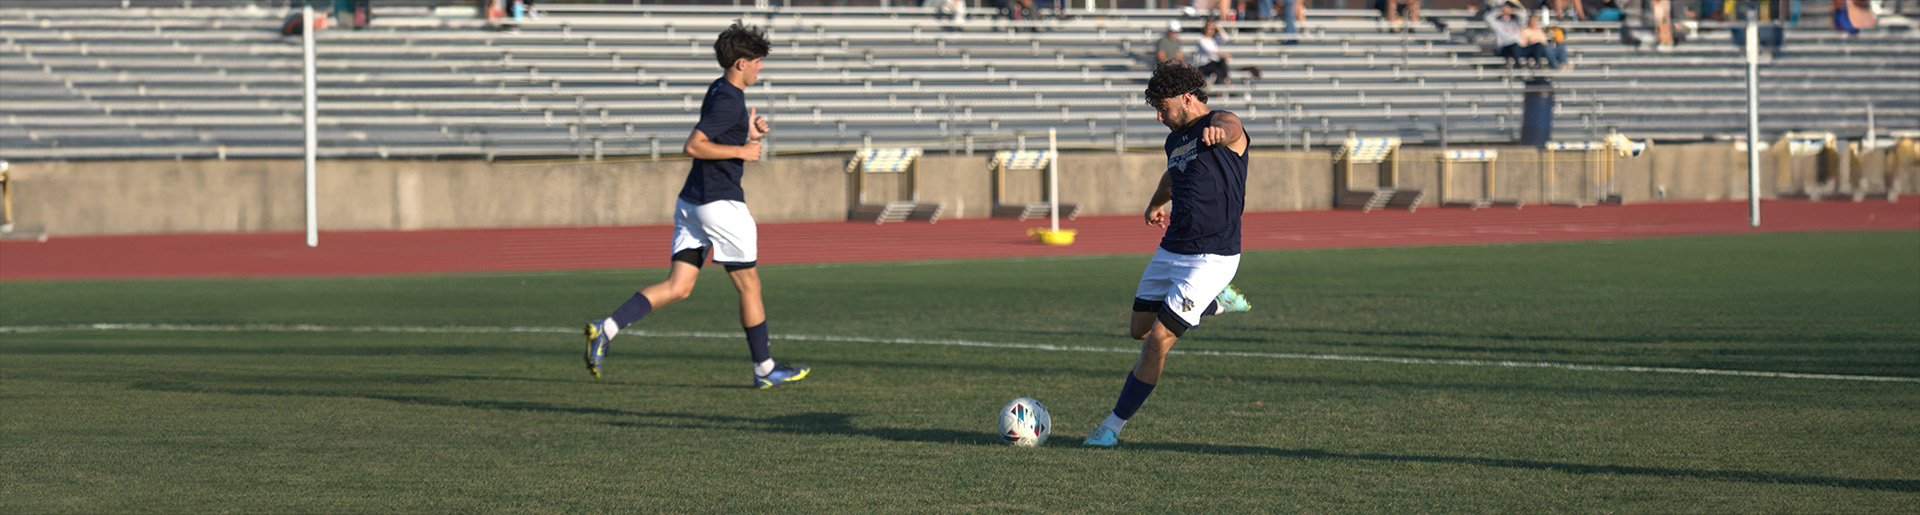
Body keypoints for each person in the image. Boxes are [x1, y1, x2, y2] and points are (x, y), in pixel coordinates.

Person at [582, 22, 811, 389]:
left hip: (691, 203)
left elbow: (715, 133)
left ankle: (604, 330)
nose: (760, 67)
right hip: (719, 203)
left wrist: (745, 132)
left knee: (679, 286)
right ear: (740, 63)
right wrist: (742, 150)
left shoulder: (721, 90)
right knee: (750, 287)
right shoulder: (728, 99)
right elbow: (694, 144)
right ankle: (764, 369)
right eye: (756, 61)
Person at [1084, 61, 1254, 448]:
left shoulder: (1222, 122)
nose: (1160, 117)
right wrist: (1155, 204)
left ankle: (1111, 427)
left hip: (1212, 256)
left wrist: (1219, 132)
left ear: (1187, 99)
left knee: (1156, 341)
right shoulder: (1174, 140)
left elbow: (1232, 129)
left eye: (1164, 108)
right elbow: (1170, 177)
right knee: (1138, 330)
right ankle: (1214, 303)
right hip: (1171, 248)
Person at [1485, 1, 1526, 67]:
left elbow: (1524, 16)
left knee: (1537, 46)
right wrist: (1500, 11)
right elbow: (1487, 18)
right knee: (1514, 46)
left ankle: (1536, 66)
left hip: (1517, 47)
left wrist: (1513, 11)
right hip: (1504, 48)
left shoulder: (1515, 22)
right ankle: (1518, 66)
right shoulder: (1497, 23)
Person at [1193, 20, 1234, 84]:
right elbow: (1210, 52)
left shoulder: (1213, 39)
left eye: (1212, 29)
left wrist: (1218, 27)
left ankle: (1225, 80)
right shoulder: (1201, 39)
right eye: (1208, 28)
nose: (1210, 30)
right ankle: (1220, 86)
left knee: (1222, 63)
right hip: (1204, 64)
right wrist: (1223, 55)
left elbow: (1225, 38)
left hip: (1213, 63)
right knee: (1217, 70)